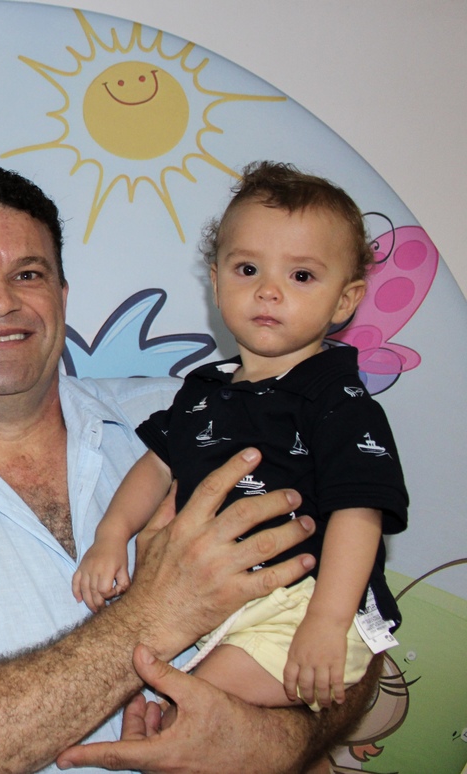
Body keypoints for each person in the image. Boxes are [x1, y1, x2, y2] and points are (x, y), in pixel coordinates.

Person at [0, 166, 379, 774]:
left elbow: (357, 637)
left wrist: (266, 742)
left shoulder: (198, 416)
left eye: (27, 274)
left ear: (61, 297)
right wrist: (157, 613)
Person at [73, 161, 407, 712]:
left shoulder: (339, 401)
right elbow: (156, 466)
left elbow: (360, 512)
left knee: (186, 706)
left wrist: (327, 619)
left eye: (301, 276)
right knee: (165, 701)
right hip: (221, 607)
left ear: (345, 300)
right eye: (248, 269)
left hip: (306, 607)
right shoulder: (202, 390)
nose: (268, 291)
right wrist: (112, 536)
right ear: (215, 281)